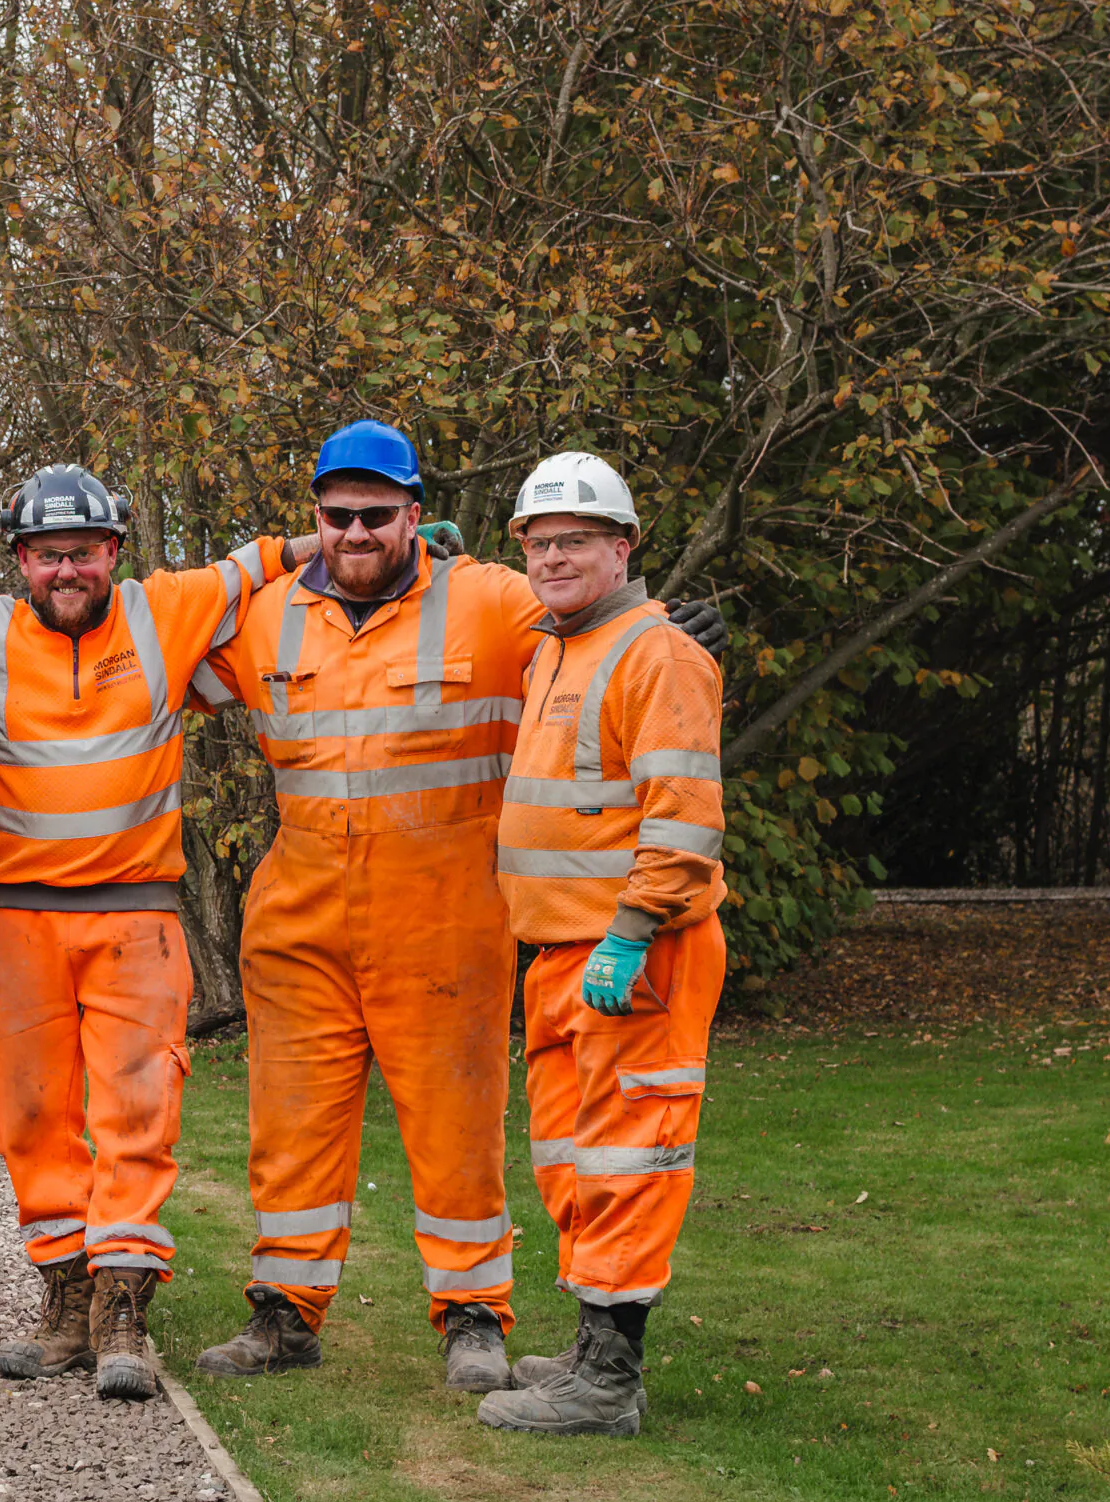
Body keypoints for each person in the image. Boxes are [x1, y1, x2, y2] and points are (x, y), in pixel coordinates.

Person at [193, 421, 724, 1391]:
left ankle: (472, 1316)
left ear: (413, 514)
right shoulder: (263, 616)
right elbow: (141, 649)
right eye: (335, 515)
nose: (355, 531)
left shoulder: (486, 598)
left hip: (445, 911)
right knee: (291, 1124)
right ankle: (282, 1314)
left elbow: (592, 623)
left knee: (458, 1123)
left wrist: (669, 628)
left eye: (376, 512)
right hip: (299, 917)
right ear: (312, 519)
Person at [0, 465, 264, 1401]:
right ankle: (66, 1295)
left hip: (136, 916)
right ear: (21, 562)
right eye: (48, 556)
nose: (66, 571)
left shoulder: (164, 613)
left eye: (83, 552)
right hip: (19, 923)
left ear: (114, 553)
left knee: (137, 1111)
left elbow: (279, 561)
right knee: (26, 1111)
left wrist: (429, 563)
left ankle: (124, 1306)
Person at [476, 453, 726, 1437]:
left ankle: (609, 1383)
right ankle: (591, 1342)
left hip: (634, 954)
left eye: (573, 540)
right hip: (560, 955)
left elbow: (682, 816)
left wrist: (630, 932)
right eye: (538, 544)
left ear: (621, 548)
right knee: (573, 1161)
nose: (551, 558)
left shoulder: (654, 652)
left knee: (627, 1159)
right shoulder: (554, 649)